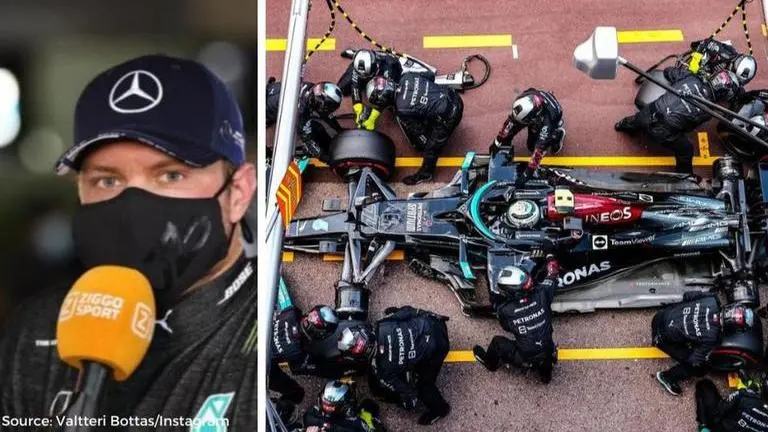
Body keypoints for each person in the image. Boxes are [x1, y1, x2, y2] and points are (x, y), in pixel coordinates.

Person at [0, 55, 257, 426]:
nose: (134, 210)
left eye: (170, 176)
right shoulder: (36, 332)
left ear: (238, 192)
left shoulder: (265, 330)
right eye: (107, 181)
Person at [338, 306, 451, 426]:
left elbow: (408, 392)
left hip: (439, 348)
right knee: (396, 313)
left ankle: (440, 409)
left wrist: (406, 403)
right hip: (436, 322)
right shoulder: (382, 324)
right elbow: (407, 312)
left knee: (423, 384)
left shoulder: (382, 371)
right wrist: (428, 314)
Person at [615, 69, 742, 174]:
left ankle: (622, 124)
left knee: (638, 119)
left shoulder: (692, 78)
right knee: (686, 150)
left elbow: (668, 72)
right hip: (662, 132)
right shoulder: (708, 110)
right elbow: (687, 128)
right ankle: (685, 177)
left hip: (647, 114)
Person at [473, 255, 561, 384]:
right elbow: (553, 272)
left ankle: (490, 364)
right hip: (548, 350)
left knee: (497, 342)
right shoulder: (543, 293)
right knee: (546, 356)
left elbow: (506, 328)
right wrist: (550, 256)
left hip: (525, 356)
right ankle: (545, 377)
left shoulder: (505, 310)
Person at [367, 73, 464, 185]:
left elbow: (418, 131)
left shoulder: (402, 110)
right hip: (455, 98)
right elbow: (430, 76)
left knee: (429, 148)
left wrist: (426, 143)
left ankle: (425, 175)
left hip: (451, 116)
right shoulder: (406, 76)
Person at [270, 305, 341, 422]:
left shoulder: (291, 312)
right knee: (297, 392)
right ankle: (281, 418)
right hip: (266, 369)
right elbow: (299, 369)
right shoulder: (296, 351)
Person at [488, 88, 565, 184]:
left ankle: (557, 136)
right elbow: (510, 122)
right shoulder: (523, 98)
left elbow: (539, 150)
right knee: (515, 128)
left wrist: (527, 174)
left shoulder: (548, 122)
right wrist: (497, 141)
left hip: (551, 117)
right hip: (538, 107)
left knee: (532, 146)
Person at [652, 291, 722, 396]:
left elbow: (687, 295)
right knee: (699, 369)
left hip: (660, 315)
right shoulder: (712, 337)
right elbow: (694, 360)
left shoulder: (713, 299)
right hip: (661, 338)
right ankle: (666, 377)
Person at [266, 78, 344, 161]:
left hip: (271, 90)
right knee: (317, 128)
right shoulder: (300, 113)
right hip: (267, 107)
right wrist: (329, 160)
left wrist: (339, 130)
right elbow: (308, 141)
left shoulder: (311, 87)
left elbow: (326, 114)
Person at [338, 49, 403, 129]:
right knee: (342, 89)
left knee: (391, 104)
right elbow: (355, 86)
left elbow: (385, 93)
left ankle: (359, 54)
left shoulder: (388, 67)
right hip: (366, 71)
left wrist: (372, 118)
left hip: (388, 75)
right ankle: (356, 54)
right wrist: (358, 108)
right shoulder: (359, 71)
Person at [299, 380, 386, 432]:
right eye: (325, 405)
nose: (327, 408)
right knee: (367, 405)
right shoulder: (356, 423)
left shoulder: (310, 415)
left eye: (331, 406)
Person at [695, 376, 768, 432]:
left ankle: (703, 425)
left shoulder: (747, 398)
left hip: (725, 426)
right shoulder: (750, 398)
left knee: (704, 386)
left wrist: (744, 390)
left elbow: (722, 408)